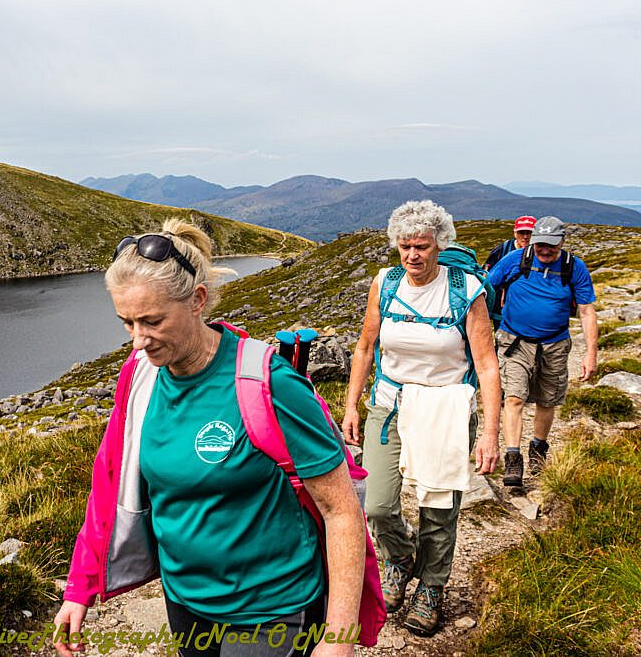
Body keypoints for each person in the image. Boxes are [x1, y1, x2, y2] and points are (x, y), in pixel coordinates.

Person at [54, 219, 366, 657]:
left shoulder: (269, 384)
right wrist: (80, 587)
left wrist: (338, 640)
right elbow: (110, 484)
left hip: (271, 607)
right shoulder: (140, 376)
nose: (138, 340)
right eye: (126, 323)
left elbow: (340, 510)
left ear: (198, 300)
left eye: (152, 321)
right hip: (186, 601)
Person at [341, 200, 500, 636]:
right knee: (377, 503)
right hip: (390, 406)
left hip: (446, 410)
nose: (413, 256)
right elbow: (364, 348)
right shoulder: (385, 283)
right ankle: (399, 556)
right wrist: (352, 404)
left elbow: (486, 365)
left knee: (439, 507)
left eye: (422, 247)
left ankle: (430, 588)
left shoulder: (466, 290)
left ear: (439, 245)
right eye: (405, 246)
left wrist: (489, 433)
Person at [486, 216, 597, 488]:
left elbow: (586, 310)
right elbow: (486, 286)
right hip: (515, 341)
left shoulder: (574, 267)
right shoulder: (516, 259)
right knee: (513, 398)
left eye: (550, 245)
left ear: (562, 241)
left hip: (555, 344)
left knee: (547, 400)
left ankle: (538, 449)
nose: (544, 250)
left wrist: (591, 353)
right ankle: (513, 458)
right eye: (539, 245)